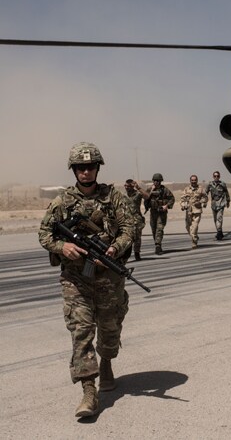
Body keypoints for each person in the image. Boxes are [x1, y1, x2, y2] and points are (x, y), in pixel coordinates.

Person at [39, 142, 135, 418]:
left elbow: (129, 228)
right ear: (74, 170)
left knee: (110, 328)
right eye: (81, 167)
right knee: (81, 331)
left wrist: (115, 248)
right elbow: (45, 234)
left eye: (90, 166)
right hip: (75, 279)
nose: (86, 172)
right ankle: (88, 391)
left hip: (108, 276)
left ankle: (106, 361)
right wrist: (63, 248)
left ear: (97, 168)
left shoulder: (112, 197)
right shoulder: (62, 202)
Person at [145, 173, 175, 255]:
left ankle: (157, 245)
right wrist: (151, 191)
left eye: (158, 181)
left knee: (159, 228)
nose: (156, 182)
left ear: (160, 181)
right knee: (154, 229)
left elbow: (172, 199)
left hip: (161, 212)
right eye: (154, 180)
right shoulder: (149, 189)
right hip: (153, 212)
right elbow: (145, 198)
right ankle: (158, 244)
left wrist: (166, 206)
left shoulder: (165, 190)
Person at [180, 174, 208, 248]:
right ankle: (195, 237)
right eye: (192, 180)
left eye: (195, 180)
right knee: (187, 227)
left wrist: (201, 202)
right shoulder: (186, 189)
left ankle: (194, 242)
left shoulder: (200, 189)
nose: (193, 181)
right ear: (190, 181)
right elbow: (182, 199)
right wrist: (183, 205)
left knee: (194, 226)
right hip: (188, 210)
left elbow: (205, 198)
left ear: (197, 180)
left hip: (197, 210)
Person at [124, 179, 146, 261]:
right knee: (127, 237)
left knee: (137, 238)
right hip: (126, 220)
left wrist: (138, 187)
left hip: (137, 219)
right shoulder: (123, 195)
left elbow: (147, 196)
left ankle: (137, 253)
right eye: (125, 186)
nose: (126, 188)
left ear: (132, 186)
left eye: (128, 186)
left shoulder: (137, 194)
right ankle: (126, 255)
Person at [206, 170, 230, 240]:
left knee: (219, 218)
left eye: (217, 176)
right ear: (213, 177)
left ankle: (219, 233)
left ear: (219, 177)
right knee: (215, 219)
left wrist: (228, 201)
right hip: (213, 204)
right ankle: (220, 232)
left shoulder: (222, 184)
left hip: (221, 204)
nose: (216, 177)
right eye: (215, 176)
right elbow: (205, 193)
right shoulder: (210, 184)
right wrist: (204, 201)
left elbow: (226, 193)